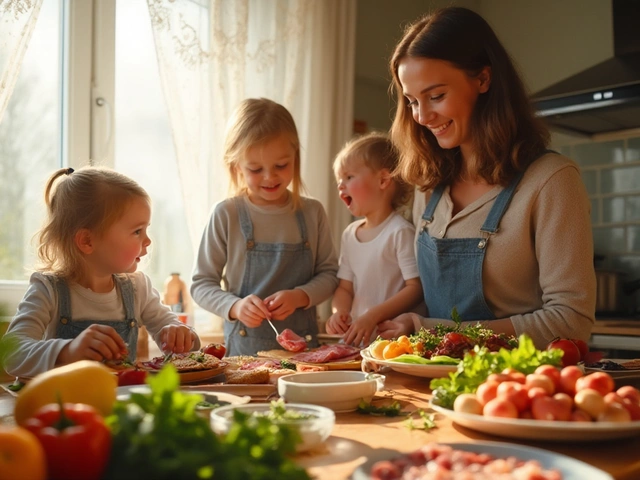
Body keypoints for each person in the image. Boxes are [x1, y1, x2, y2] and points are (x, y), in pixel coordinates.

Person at [377, 7, 596, 349]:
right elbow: (428, 301)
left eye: (436, 96)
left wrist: (430, 330)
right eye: (411, 101)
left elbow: (571, 322)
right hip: (430, 388)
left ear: (482, 79)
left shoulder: (551, 181)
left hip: (511, 392)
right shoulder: (430, 186)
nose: (422, 116)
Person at [5, 167, 200, 378]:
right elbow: (12, 354)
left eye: (146, 229)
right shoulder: (48, 290)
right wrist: (68, 351)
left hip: (121, 407)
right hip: (65, 405)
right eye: (137, 231)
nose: (148, 241)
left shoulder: (137, 288)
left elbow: (185, 340)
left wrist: (179, 335)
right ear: (87, 241)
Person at [191, 98, 339, 356]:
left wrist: (300, 296)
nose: (270, 177)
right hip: (243, 356)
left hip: (304, 356)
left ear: (296, 156)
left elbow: (330, 275)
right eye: (256, 169)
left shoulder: (312, 212)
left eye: (281, 165)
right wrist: (235, 306)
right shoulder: (226, 214)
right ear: (236, 165)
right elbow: (201, 284)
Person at [325, 132, 423, 346]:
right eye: (339, 180)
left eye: (349, 177)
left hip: (390, 343)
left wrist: (372, 316)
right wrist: (338, 312)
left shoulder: (399, 232)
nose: (341, 185)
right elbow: (344, 288)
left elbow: (415, 289)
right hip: (355, 342)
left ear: (383, 180)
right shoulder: (349, 234)